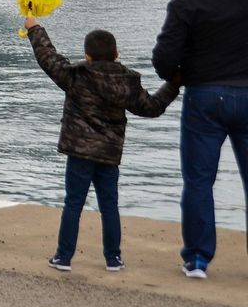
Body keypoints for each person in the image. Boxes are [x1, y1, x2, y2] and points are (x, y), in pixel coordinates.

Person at [25, 18, 176, 273]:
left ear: (87, 55)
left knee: (73, 203)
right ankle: (113, 258)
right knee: (109, 205)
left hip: (79, 152)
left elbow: (47, 57)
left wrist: (34, 28)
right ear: (117, 54)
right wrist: (174, 83)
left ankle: (64, 258)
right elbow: (152, 107)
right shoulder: (127, 81)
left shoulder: (76, 76)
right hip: (109, 153)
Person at [151, 0, 248, 279]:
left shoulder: (185, 2)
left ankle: (197, 260)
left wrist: (178, 75)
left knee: (198, 181)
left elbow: (164, 58)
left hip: (205, 96)